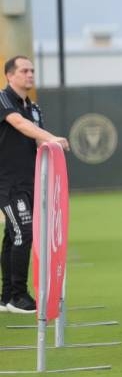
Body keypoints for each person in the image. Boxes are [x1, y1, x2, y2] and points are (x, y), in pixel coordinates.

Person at [1, 56, 69, 314]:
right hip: (7, 182)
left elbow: (37, 140)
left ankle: (6, 296)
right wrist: (52, 137)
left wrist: (51, 145)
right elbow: (18, 124)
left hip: (30, 181)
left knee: (12, 234)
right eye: (24, 71)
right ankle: (19, 296)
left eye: (32, 70)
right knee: (23, 232)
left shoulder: (34, 108)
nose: (30, 74)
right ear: (10, 75)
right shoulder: (4, 100)